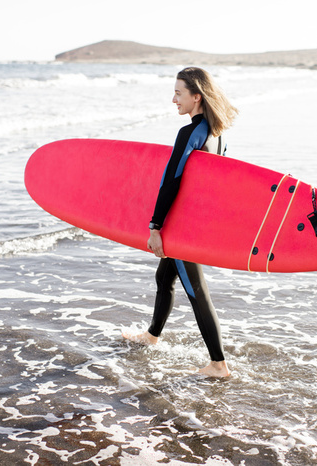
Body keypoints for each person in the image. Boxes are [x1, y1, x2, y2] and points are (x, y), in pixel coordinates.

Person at [123, 67, 238, 378]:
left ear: (196, 97)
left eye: (178, 93)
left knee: (196, 290)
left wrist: (155, 227)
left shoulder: (189, 133)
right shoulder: (217, 132)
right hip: (195, 222)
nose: (173, 99)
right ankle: (151, 335)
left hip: (183, 226)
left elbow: (170, 182)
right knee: (164, 278)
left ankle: (218, 365)